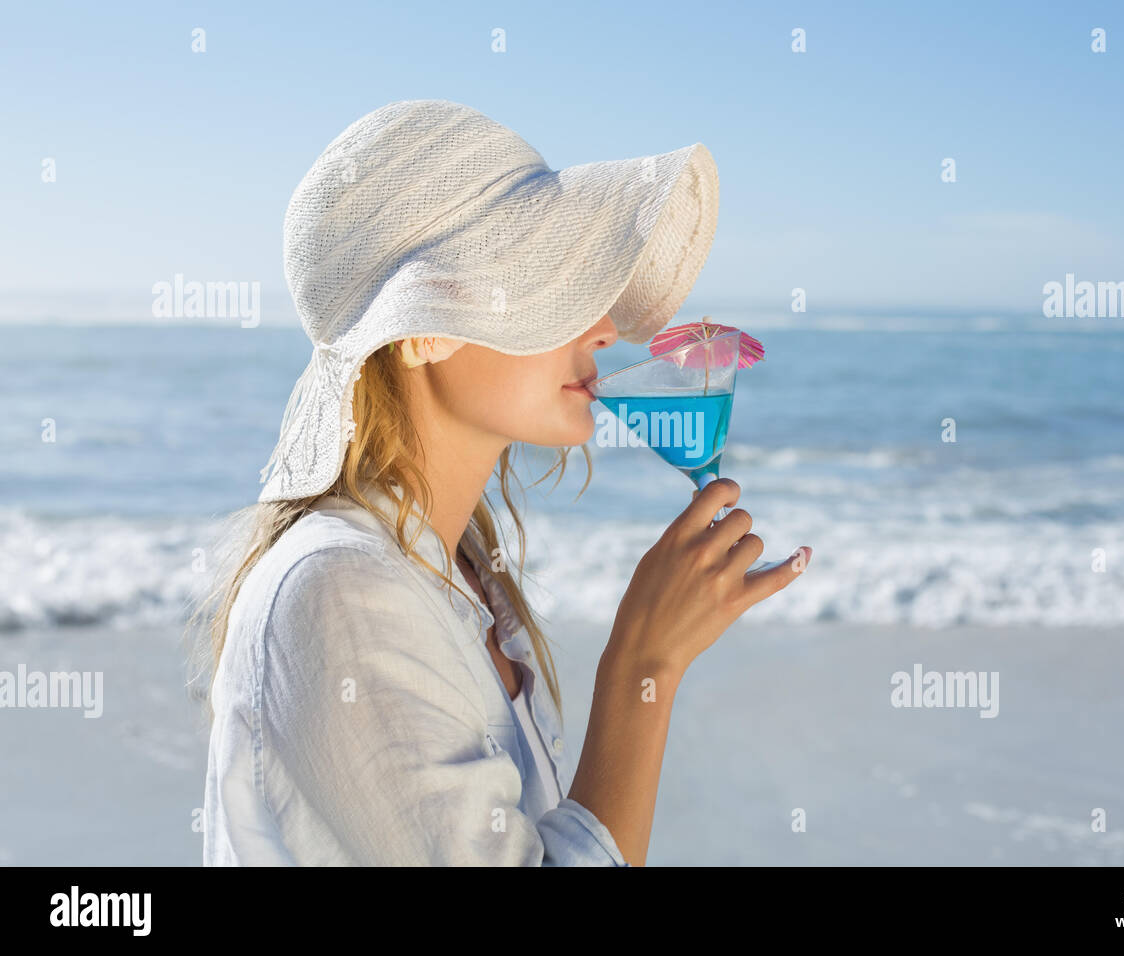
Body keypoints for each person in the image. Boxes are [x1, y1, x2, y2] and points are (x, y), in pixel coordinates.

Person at [187, 100, 811, 867]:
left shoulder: (466, 573)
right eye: (552, 280)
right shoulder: (339, 593)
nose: (605, 327)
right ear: (420, 328)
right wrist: (644, 667)